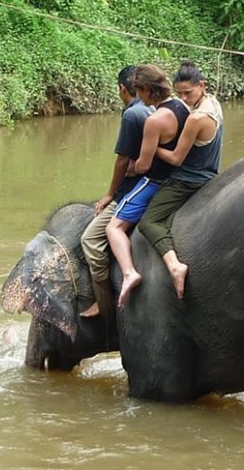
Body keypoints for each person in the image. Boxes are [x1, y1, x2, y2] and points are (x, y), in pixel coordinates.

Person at [137, 61, 223, 299]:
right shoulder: (213, 103)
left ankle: (174, 265)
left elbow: (175, 158)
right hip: (210, 172)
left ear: (202, 85)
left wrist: (152, 148)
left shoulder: (196, 118)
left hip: (187, 180)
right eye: (180, 94)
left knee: (148, 222)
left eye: (188, 92)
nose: (184, 99)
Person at [107, 64, 190, 308]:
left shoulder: (155, 120)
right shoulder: (182, 107)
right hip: (179, 176)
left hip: (154, 181)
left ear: (145, 90)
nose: (137, 96)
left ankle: (129, 272)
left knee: (113, 227)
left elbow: (143, 166)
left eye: (139, 91)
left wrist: (134, 166)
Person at [80, 66, 154, 318]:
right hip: (155, 181)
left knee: (90, 240)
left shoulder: (133, 114)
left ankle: (104, 304)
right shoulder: (154, 108)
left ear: (123, 88)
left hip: (134, 188)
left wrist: (110, 193)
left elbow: (122, 161)